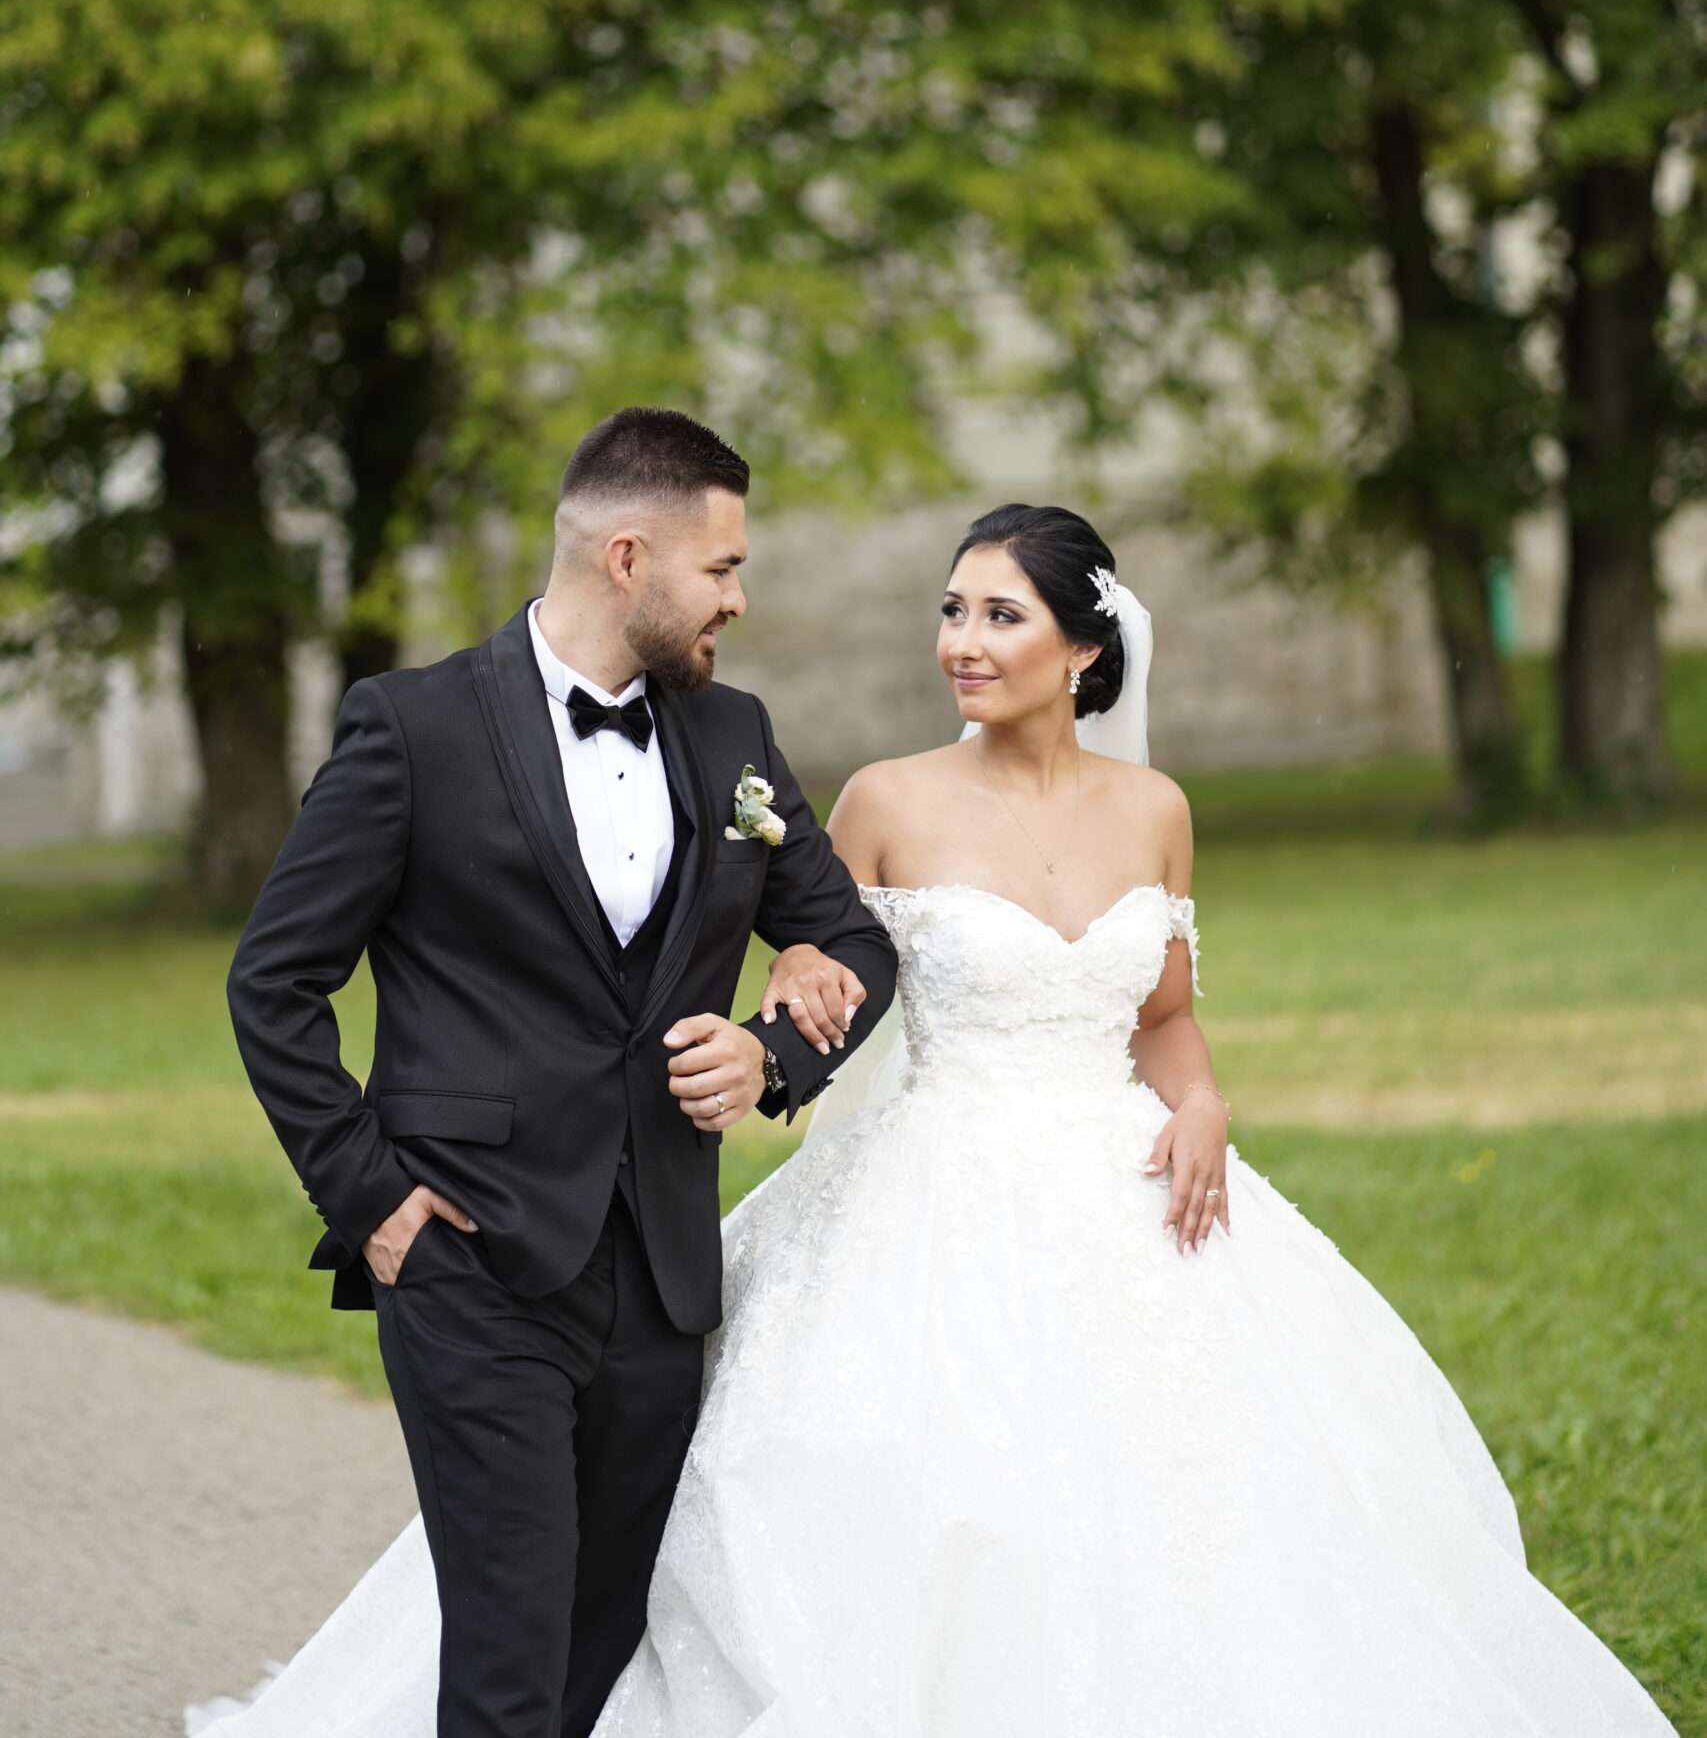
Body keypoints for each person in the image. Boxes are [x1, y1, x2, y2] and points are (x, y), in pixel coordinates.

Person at [201, 497, 1680, 1738]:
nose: (962, 642)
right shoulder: (883, 796)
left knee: (1191, 1523)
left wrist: (1205, 1104)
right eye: (953, 611)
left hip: (1126, 1202)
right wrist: (779, 1026)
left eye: (999, 617)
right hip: (923, 1200)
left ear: (1083, 650)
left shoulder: (1157, 811)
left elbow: (1163, 1017)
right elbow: (823, 950)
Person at [219, 407, 897, 1738]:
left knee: (610, 1645)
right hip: (470, 1258)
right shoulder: (411, 728)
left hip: (661, 1273)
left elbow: (858, 941)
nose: (740, 599)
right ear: (627, 559)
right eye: (722, 569)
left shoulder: (736, 736)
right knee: (510, 1656)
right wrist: (373, 1199)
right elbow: (274, 982)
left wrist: (768, 1056)